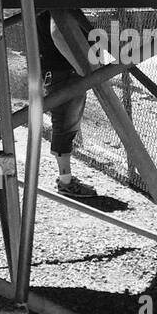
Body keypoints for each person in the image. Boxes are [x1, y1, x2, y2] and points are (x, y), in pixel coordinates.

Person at [36, 11, 99, 198]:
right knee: (66, 124)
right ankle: (65, 182)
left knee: (66, 123)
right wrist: (82, 68)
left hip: (63, 70)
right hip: (65, 71)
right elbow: (58, 34)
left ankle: (65, 178)